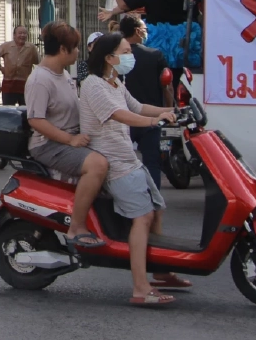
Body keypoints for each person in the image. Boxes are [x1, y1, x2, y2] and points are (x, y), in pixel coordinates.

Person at [81, 33, 181, 306]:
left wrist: (171, 110)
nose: (130, 57)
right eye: (125, 52)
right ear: (109, 58)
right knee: (143, 217)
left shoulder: (115, 82)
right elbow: (119, 114)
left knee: (156, 210)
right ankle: (140, 288)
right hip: (113, 164)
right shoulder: (93, 85)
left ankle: (160, 269)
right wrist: (152, 122)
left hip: (128, 159)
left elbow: (137, 107)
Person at [24, 22, 108, 248]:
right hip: (49, 145)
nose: (79, 51)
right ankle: (76, 228)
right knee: (97, 165)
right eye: (76, 47)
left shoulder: (63, 75)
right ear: (63, 49)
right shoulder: (40, 79)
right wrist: (70, 139)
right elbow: (36, 120)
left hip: (71, 139)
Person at [119, 16, 169, 189]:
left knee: (121, 163)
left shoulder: (114, 60)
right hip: (149, 118)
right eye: (144, 29)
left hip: (125, 119)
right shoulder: (154, 55)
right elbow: (166, 86)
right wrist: (168, 109)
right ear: (138, 31)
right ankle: (153, 199)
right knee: (152, 163)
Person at [0, 26, 39, 106]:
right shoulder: (6, 46)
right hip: (9, 84)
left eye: (24, 33)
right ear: (14, 35)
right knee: (8, 110)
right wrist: (1, 68)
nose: (22, 35)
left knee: (25, 111)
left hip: (25, 84)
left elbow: (38, 62)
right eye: (20, 33)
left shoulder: (31, 48)